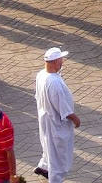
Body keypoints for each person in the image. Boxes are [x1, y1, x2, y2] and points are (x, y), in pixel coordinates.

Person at [34, 47, 81, 182]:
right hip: (56, 124)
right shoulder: (54, 82)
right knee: (58, 157)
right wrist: (75, 118)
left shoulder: (41, 75)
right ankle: (55, 178)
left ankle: (44, 166)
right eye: (61, 60)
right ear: (55, 62)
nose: (62, 62)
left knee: (49, 148)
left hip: (45, 120)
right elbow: (62, 107)